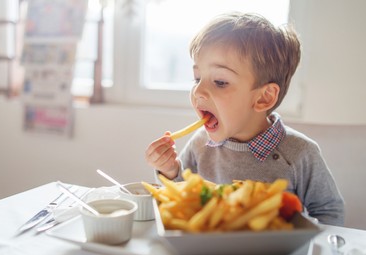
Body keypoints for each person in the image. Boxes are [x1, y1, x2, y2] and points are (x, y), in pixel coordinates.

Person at [145, 12, 344, 226]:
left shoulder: (300, 153)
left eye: (220, 82)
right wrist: (170, 170)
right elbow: (182, 195)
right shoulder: (200, 143)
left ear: (263, 98)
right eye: (197, 78)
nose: (199, 91)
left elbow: (329, 211)